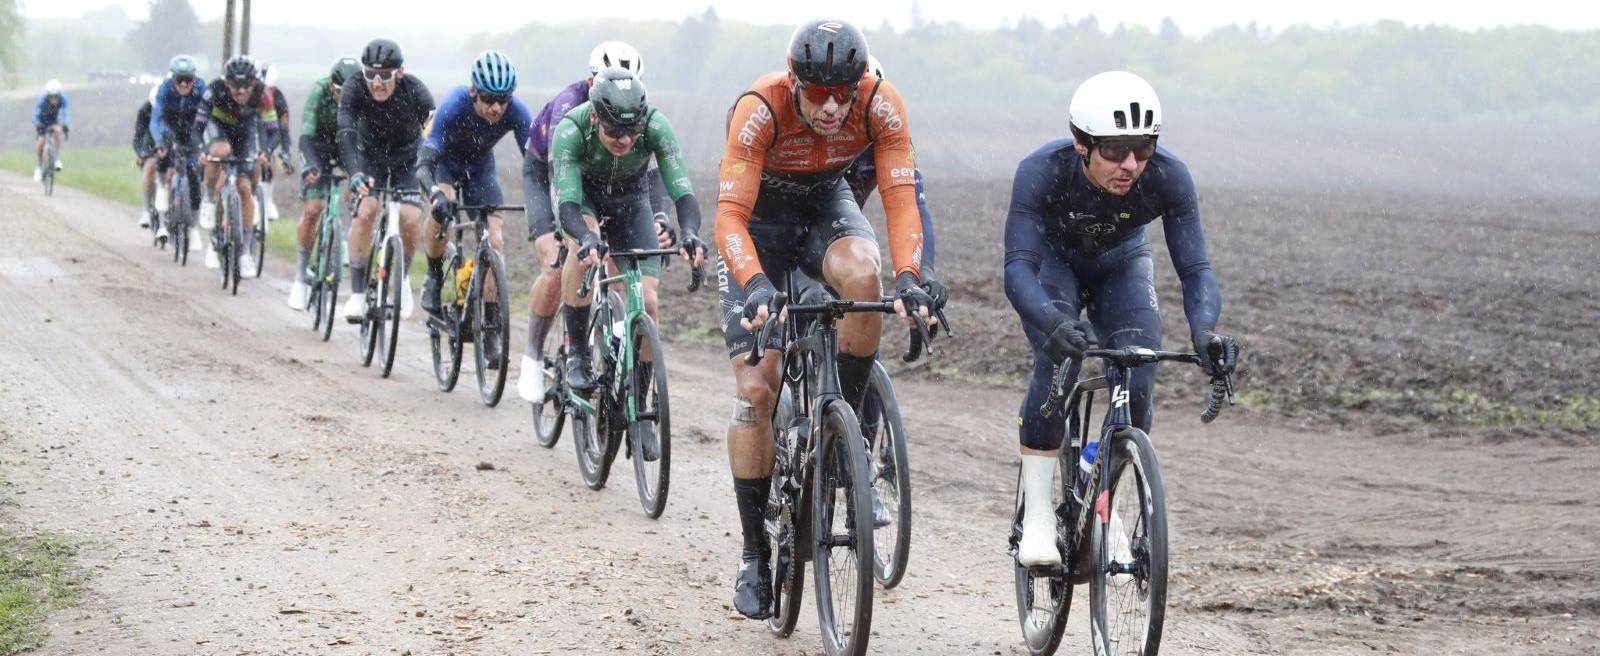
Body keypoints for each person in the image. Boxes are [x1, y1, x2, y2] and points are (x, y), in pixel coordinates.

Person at [714, 19, 935, 619]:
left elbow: (901, 200)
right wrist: (756, 283)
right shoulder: (761, 107)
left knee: (866, 279)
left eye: (846, 91)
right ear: (795, 81)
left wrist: (912, 276)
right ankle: (755, 553)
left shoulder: (881, 105)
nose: (835, 106)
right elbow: (730, 217)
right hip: (758, 224)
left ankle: (848, 439)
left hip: (823, 208)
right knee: (758, 387)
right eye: (819, 93)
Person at [1004, 71, 1238, 567]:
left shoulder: (1168, 177)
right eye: (1114, 150)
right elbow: (1017, 270)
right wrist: (1051, 323)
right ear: (1081, 144)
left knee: (1139, 373)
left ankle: (1101, 495)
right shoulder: (1041, 171)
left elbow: (1195, 270)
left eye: (1143, 148)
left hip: (1121, 265)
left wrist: (1204, 332)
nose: (1130, 165)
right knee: (1058, 365)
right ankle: (1040, 514)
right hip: (1054, 264)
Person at [515, 40, 672, 403]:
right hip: (550, 175)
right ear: (592, 82)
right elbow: (564, 179)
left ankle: (615, 329)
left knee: (618, 261)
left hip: (608, 182)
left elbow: (651, 171)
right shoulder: (570, 108)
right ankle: (534, 359)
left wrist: (660, 214)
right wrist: (580, 235)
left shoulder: (634, 116)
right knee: (561, 261)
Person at [549, 67, 705, 404]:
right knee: (584, 245)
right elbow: (568, 205)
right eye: (613, 130)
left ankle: (641, 398)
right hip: (583, 197)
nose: (623, 140)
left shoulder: (656, 125)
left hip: (631, 199)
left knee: (648, 301)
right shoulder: (571, 130)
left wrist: (690, 231)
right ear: (594, 116)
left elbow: (682, 191)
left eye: (631, 131)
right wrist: (586, 238)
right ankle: (577, 352)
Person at [414, 50, 533, 370]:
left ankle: (492, 326)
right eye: (489, 99)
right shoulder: (454, 105)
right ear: (473, 92)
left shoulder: (517, 112)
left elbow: (537, 164)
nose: (497, 107)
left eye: (503, 100)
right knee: (442, 214)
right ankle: (435, 275)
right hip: (444, 166)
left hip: (481, 169)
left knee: (495, 242)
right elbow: (424, 163)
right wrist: (436, 195)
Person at [337, 37, 433, 323]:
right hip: (369, 158)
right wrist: (354, 173)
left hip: (407, 158)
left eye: (384, 76)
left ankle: (400, 278)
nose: (377, 83)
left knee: (411, 217)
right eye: (370, 75)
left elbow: (433, 132)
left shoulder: (415, 90)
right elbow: (345, 132)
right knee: (365, 211)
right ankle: (356, 293)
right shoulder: (354, 88)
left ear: (399, 73)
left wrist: (430, 169)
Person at [287, 57, 362, 311]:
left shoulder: (362, 97)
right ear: (332, 86)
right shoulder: (319, 91)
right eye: (342, 93)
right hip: (318, 144)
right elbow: (306, 135)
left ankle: (345, 236)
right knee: (313, 209)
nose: (347, 97)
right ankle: (300, 278)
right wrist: (310, 165)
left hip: (346, 145)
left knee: (361, 190)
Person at [192, 55, 279, 274]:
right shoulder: (214, 90)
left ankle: (244, 252)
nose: (240, 92)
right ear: (226, 81)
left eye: (245, 86)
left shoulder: (263, 93)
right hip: (218, 127)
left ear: (254, 82)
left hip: (244, 131)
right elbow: (198, 128)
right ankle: (210, 199)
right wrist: (201, 151)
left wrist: (266, 152)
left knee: (244, 189)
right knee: (220, 151)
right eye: (234, 86)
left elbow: (273, 131)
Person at [151, 55, 205, 243]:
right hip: (169, 131)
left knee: (194, 177)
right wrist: (159, 141)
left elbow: (209, 118)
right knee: (165, 170)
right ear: (172, 78)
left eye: (188, 79)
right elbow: (156, 119)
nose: (183, 84)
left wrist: (205, 145)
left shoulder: (201, 89)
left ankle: (193, 225)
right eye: (179, 79)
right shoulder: (164, 89)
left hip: (192, 132)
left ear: (194, 78)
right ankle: (162, 222)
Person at [259, 64, 294, 222]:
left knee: (269, 160)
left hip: (269, 134)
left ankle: (267, 199)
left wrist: (286, 154)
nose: (266, 94)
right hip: (249, 131)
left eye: (269, 90)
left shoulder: (278, 99)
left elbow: (284, 130)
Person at [33, 80, 69, 181]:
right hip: (42, 121)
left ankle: (57, 159)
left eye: (56, 96)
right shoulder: (42, 100)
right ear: (48, 95)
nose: (54, 99)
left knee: (57, 132)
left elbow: (66, 113)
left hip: (53, 121)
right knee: (41, 142)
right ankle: (38, 167)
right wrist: (38, 124)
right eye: (51, 97)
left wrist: (65, 125)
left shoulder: (63, 99)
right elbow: (35, 115)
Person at [134, 86, 158, 228]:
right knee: (149, 167)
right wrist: (142, 154)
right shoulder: (144, 110)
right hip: (150, 140)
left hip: (170, 139)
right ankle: (146, 210)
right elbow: (138, 136)